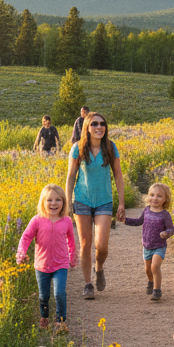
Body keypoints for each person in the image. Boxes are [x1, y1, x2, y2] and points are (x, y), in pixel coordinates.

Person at [65, 111, 126, 300]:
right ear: (87, 128)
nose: (99, 127)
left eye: (102, 124)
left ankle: (99, 268)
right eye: (94, 124)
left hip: (104, 201)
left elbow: (118, 175)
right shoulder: (77, 148)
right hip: (82, 200)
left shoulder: (110, 147)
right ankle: (87, 284)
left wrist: (122, 203)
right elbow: (71, 176)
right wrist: (67, 202)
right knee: (85, 244)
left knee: (102, 246)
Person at [16, 183, 77, 333]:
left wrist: (73, 257)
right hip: (42, 265)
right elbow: (26, 237)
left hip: (61, 264)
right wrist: (21, 253)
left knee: (59, 293)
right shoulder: (37, 220)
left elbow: (71, 240)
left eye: (58, 200)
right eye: (49, 200)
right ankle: (44, 316)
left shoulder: (67, 221)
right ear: (43, 202)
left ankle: (60, 320)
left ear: (63, 202)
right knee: (44, 296)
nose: (54, 203)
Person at [124, 182, 174, 301]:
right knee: (148, 269)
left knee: (155, 266)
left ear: (165, 199)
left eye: (159, 196)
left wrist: (166, 233)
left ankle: (157, 290)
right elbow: (138, 221)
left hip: (159, 246)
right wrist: (125, 220)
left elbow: (171, 229)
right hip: (147, 246)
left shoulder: (165, 214)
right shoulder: (146, 210)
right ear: (148, 196)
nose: (155, 198)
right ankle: (151, 281)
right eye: (152, 195)